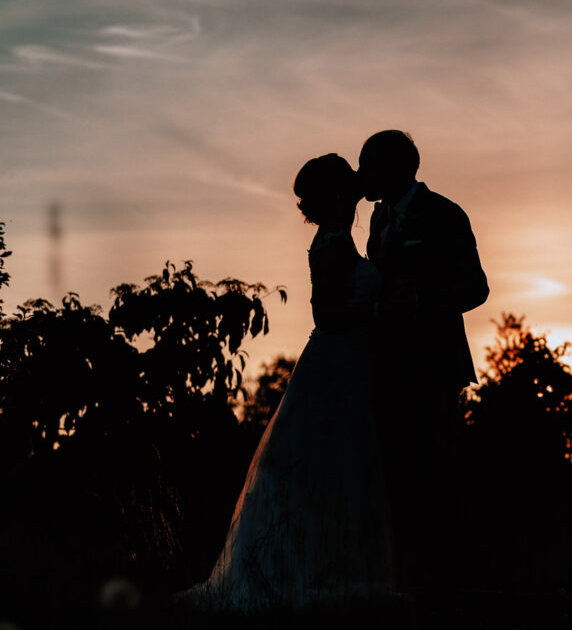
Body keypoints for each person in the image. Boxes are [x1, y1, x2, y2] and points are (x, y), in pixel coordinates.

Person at [174, 154, 396, 613]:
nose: (360, 180)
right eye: (350, 178)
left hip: (347, 361)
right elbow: (326, 314)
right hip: (335, 361)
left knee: (335, 463)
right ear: (338, 192)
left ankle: (322, 565)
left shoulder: (343, 234)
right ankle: (293, 571)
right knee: (323, 462)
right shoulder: (332, 242)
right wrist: (375, 313)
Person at [359, 130, 489, 592]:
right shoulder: (376, 218)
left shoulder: (444, 214)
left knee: (435, 477)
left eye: (367, 165)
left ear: (395, 168)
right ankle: (403, 579)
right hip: (385, 368)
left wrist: (420, 303)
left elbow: (475, 288)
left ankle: (447, 583)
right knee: (395, 480)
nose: (360, 175)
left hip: (432, 367)